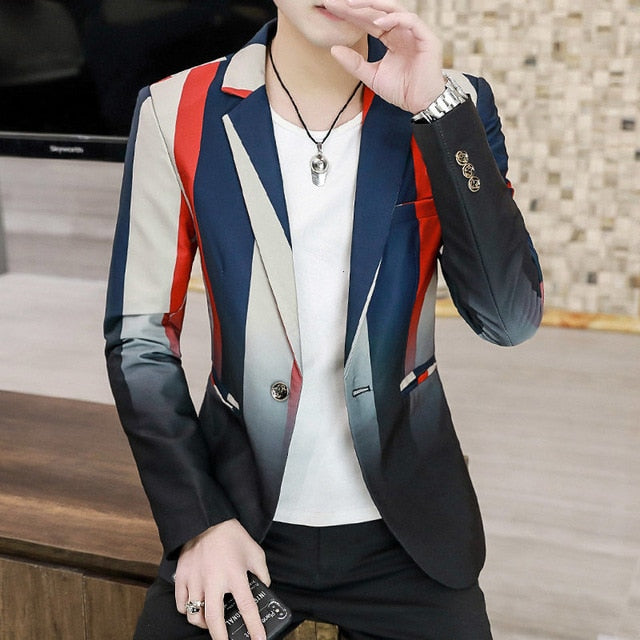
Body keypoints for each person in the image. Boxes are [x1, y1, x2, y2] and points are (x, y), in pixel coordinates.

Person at [104, 0, 544, 638]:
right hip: (237, 514)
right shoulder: (175, 108)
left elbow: (509, 319)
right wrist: (200, 523)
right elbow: (139, 337)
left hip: (408, 531)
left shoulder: (454, 104)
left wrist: (438, 115)